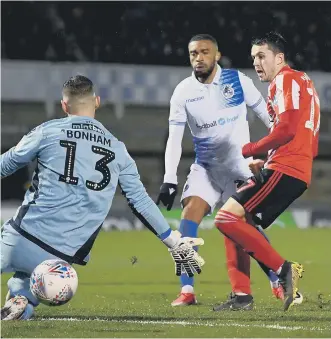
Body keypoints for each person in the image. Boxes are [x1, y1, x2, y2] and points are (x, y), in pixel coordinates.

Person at [0, 75, 205, 320]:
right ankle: (22, 301)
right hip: (61, 260)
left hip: (22, 238)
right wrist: (172, 240)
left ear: (64, 106)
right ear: (97, 102)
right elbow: (139, 201)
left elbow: (8, 163)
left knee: (18, 267)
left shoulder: (48, 131)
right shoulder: (118, 148)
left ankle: (20, 299)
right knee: (23, 292)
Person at [156, 33, 287, 308]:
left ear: (216, 55)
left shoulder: (237, 80)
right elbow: (174, 138)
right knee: (188, 217)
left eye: (205, 52)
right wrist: (169, 179)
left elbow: (267, 115)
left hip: (240, 167)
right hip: (207, 168)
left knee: (246, 228)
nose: (199, 58)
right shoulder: (182, 92)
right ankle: (187, 291)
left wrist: (277, 151)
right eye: (193, 53)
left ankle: (277, 278)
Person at [214, 31, 320, 311]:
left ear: (280, 58)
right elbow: (301, 134)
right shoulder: (304, 82)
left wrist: (254, 149)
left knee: (225, 218)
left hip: (288, 167)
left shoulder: (285, 80)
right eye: (253, 58)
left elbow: (286, 130)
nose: (257, 63)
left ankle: (283, 270)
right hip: (291, 166)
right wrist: (269, 158)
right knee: (237, 221)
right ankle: (242, 296)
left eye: (262, 56)